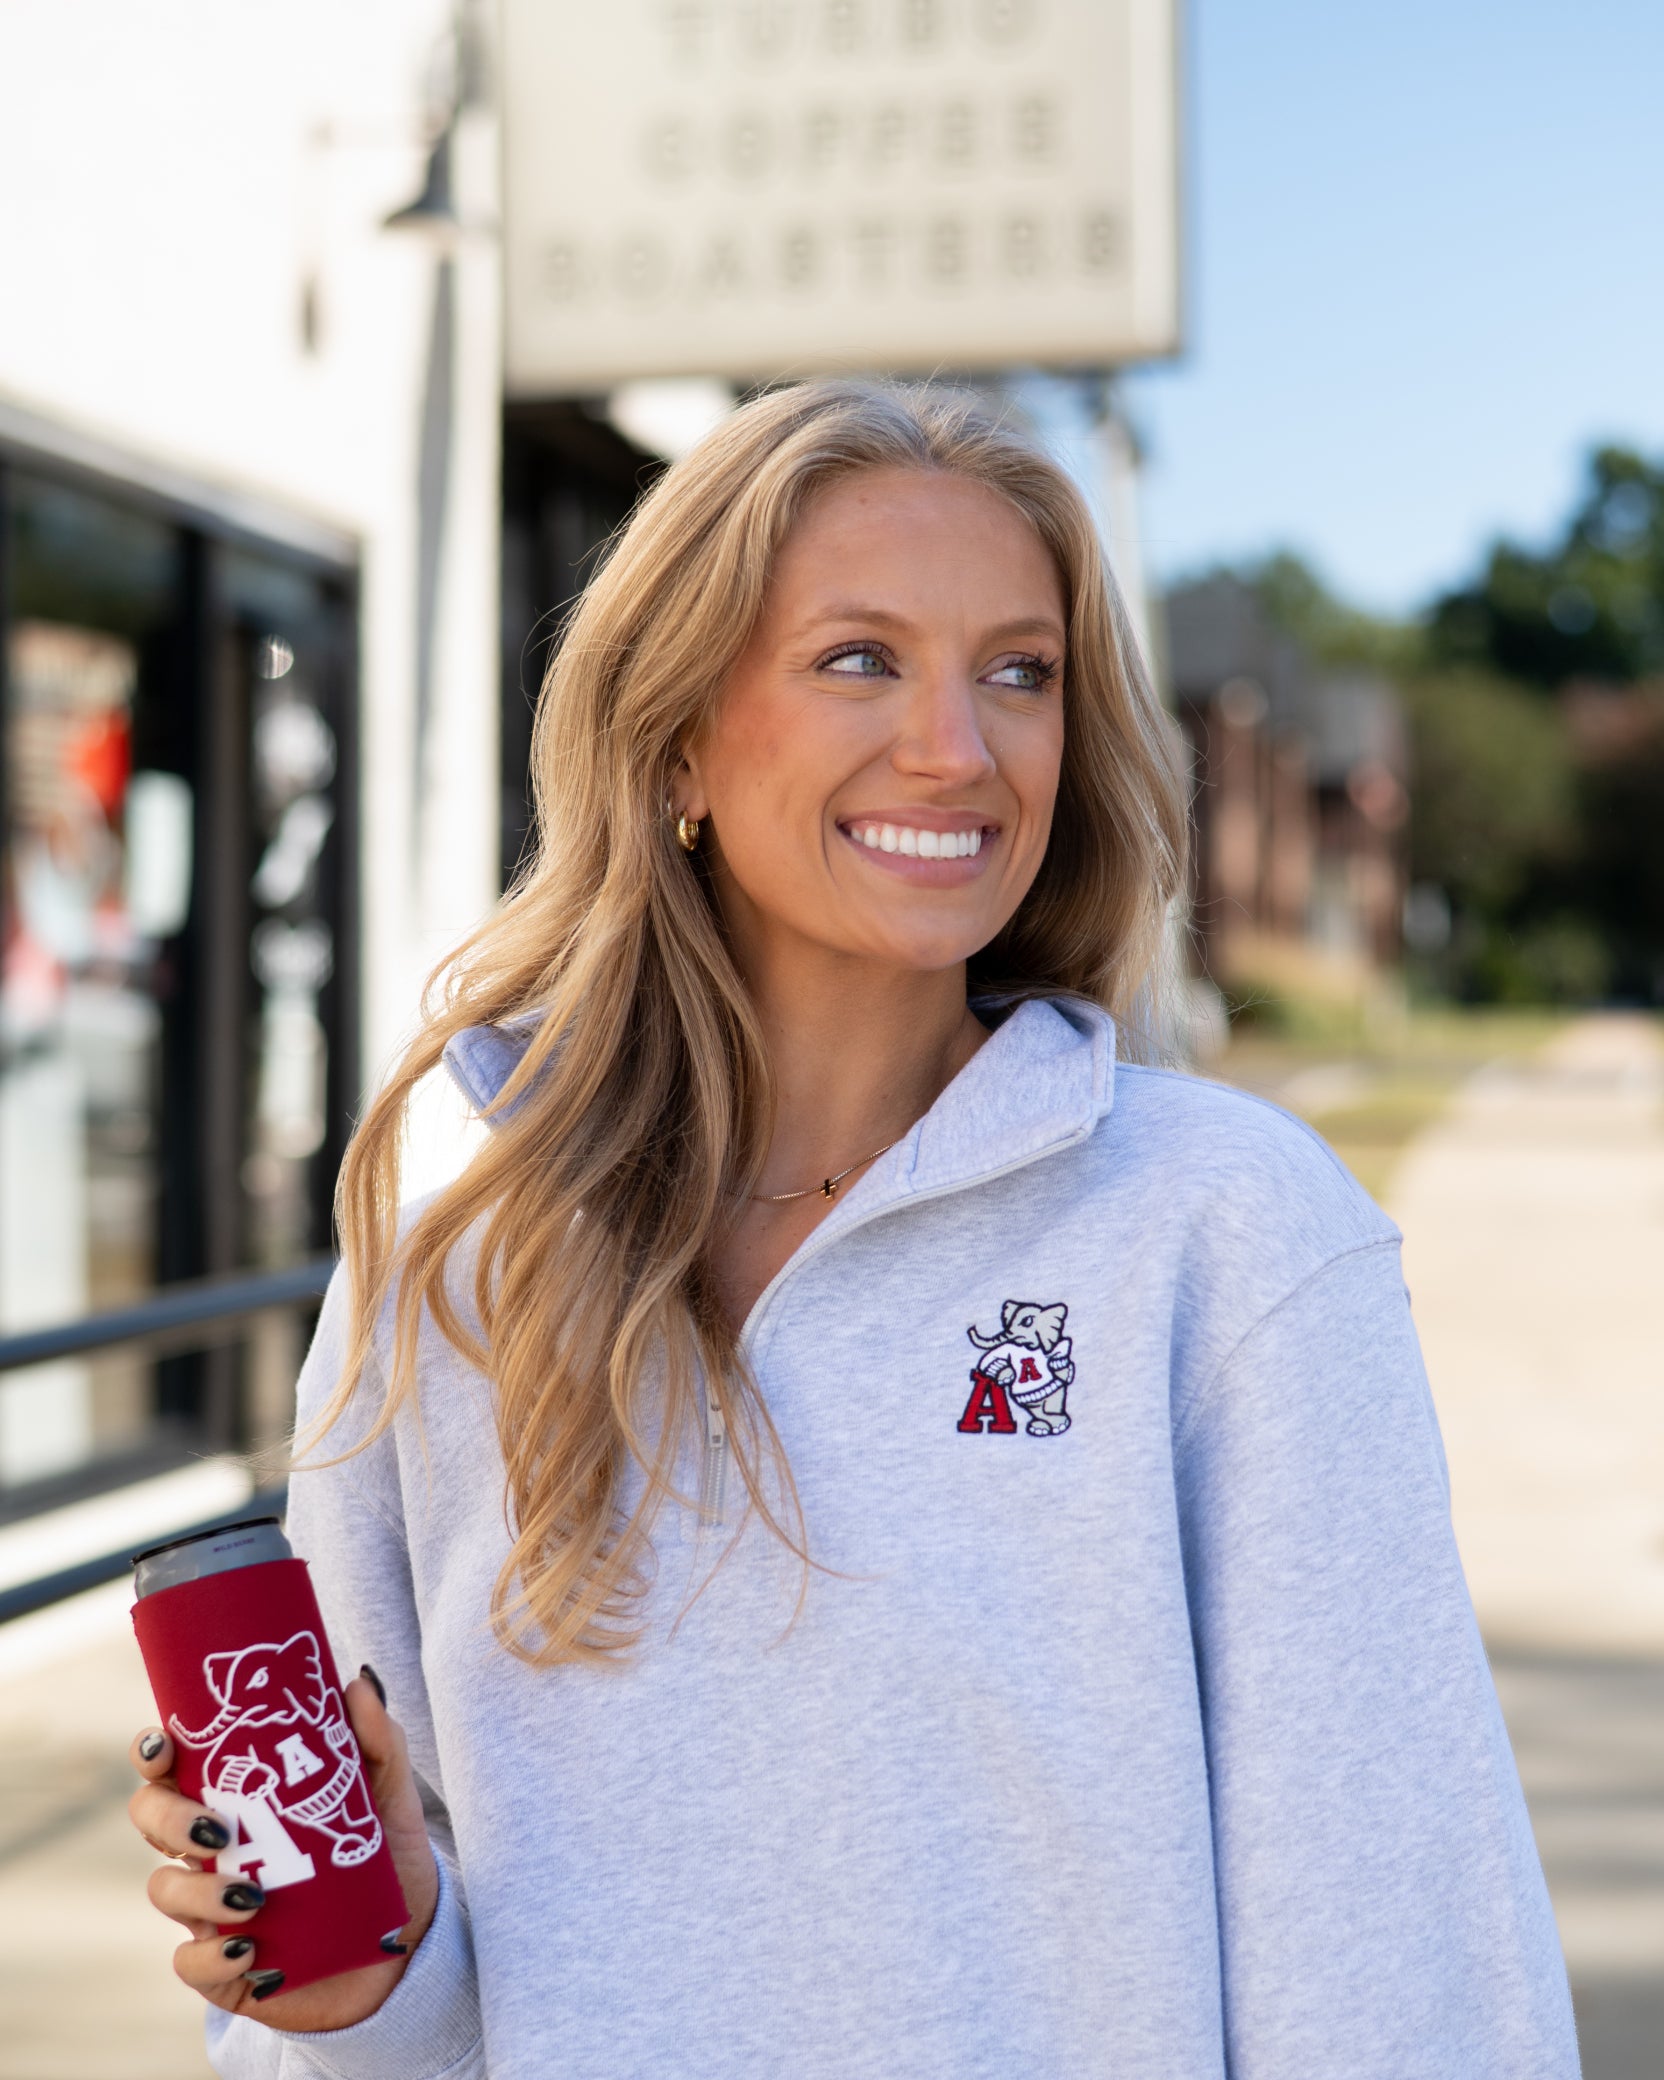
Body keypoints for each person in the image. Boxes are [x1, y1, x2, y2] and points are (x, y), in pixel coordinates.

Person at [127, 381, 1580, 2079]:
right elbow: (386, 1975)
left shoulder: (1224, 1238)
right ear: (676, 735)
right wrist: (356, 1993)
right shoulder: (458, 1252)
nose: (957, 749)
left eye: (1020, 673)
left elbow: (1400, 1959)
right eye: (859, 659)